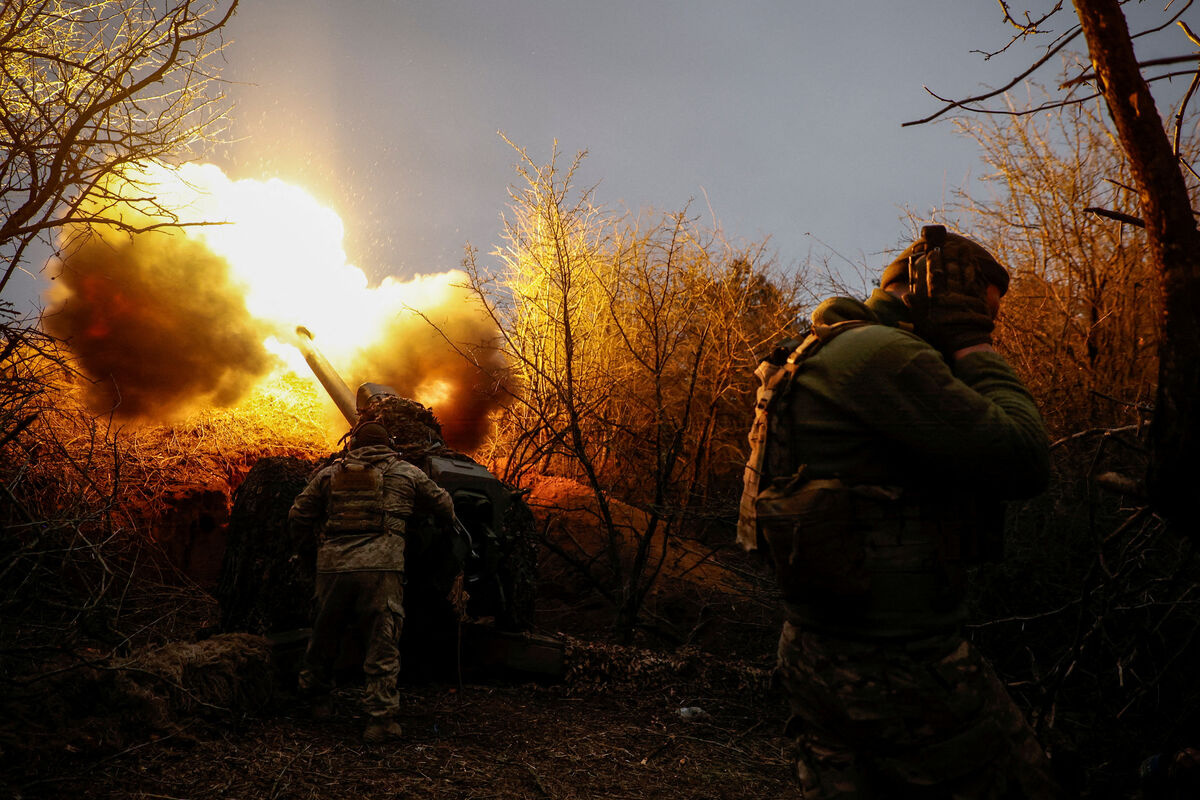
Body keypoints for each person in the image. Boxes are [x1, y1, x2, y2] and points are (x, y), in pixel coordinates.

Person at [740, 225, 1061, 797]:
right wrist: (972, 345)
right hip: (895, 661)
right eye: (984, 312)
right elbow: (1024, 457)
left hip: (817, 647)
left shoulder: (822, 350)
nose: (992, 328)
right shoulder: (885, 356)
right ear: (944, 297)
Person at [289, 420, 456, 744]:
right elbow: (445, 505)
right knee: (382, 642)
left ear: (353, 444)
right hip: (381, 569)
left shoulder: (329, 474)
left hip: (334, 567)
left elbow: (298, 515)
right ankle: (379, 721)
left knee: (323, 636)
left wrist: (309, 552)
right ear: (388, 444)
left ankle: (317, 702)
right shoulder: (406, 473)